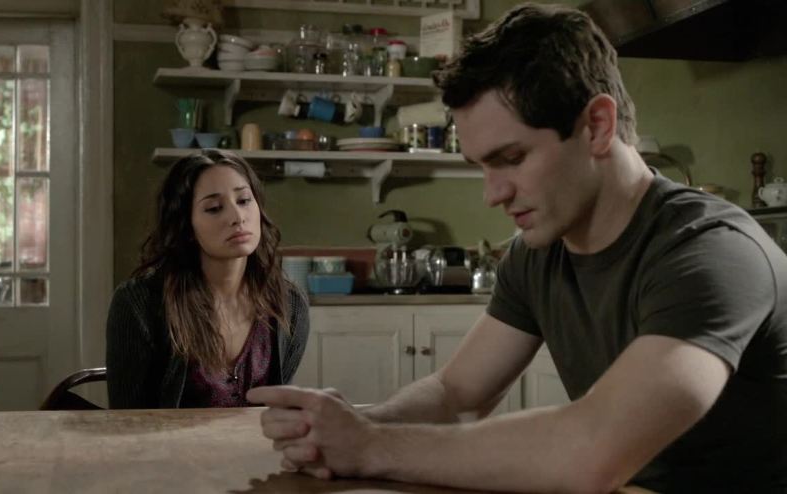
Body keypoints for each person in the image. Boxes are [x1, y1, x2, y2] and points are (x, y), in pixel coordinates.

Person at [248, 3, 787, 492]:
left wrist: (370, 447)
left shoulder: (710, 253)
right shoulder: (538, 253)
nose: (493, 194)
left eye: (511, 158)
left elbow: (593, 451)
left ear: (597, 126)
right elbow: (456, 394)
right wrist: (355, 425)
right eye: (482, 166)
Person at [107, 149, 309, 409]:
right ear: (186, 225)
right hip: (169, 438)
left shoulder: (288, 304)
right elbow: (127, 421)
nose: (237, 217)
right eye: (214, 208)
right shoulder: (139, 305)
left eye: (244, 200)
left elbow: (279, 411)